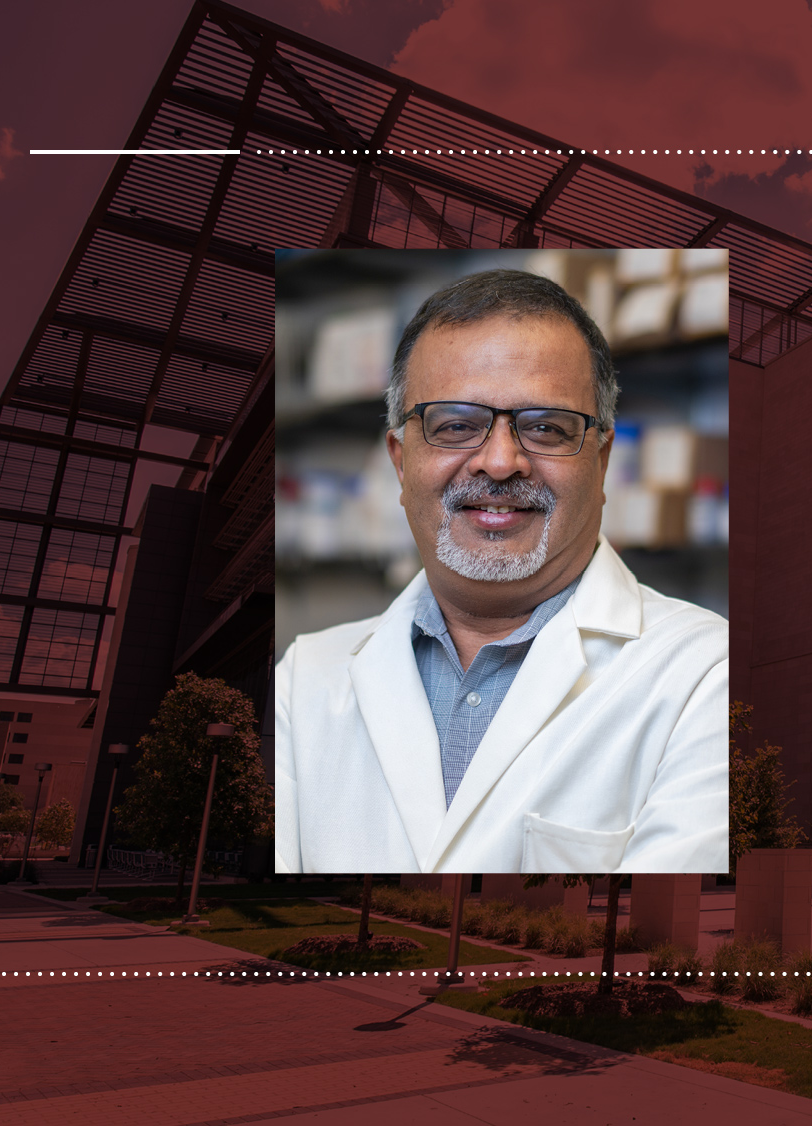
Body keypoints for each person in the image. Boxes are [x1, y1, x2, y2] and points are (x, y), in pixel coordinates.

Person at [275, 269, 727, 874]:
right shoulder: (304, 678)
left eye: (545, 427)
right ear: (401, 462)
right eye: (456, 424)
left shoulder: (708, 677)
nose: (499, 461)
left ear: (602, 461)